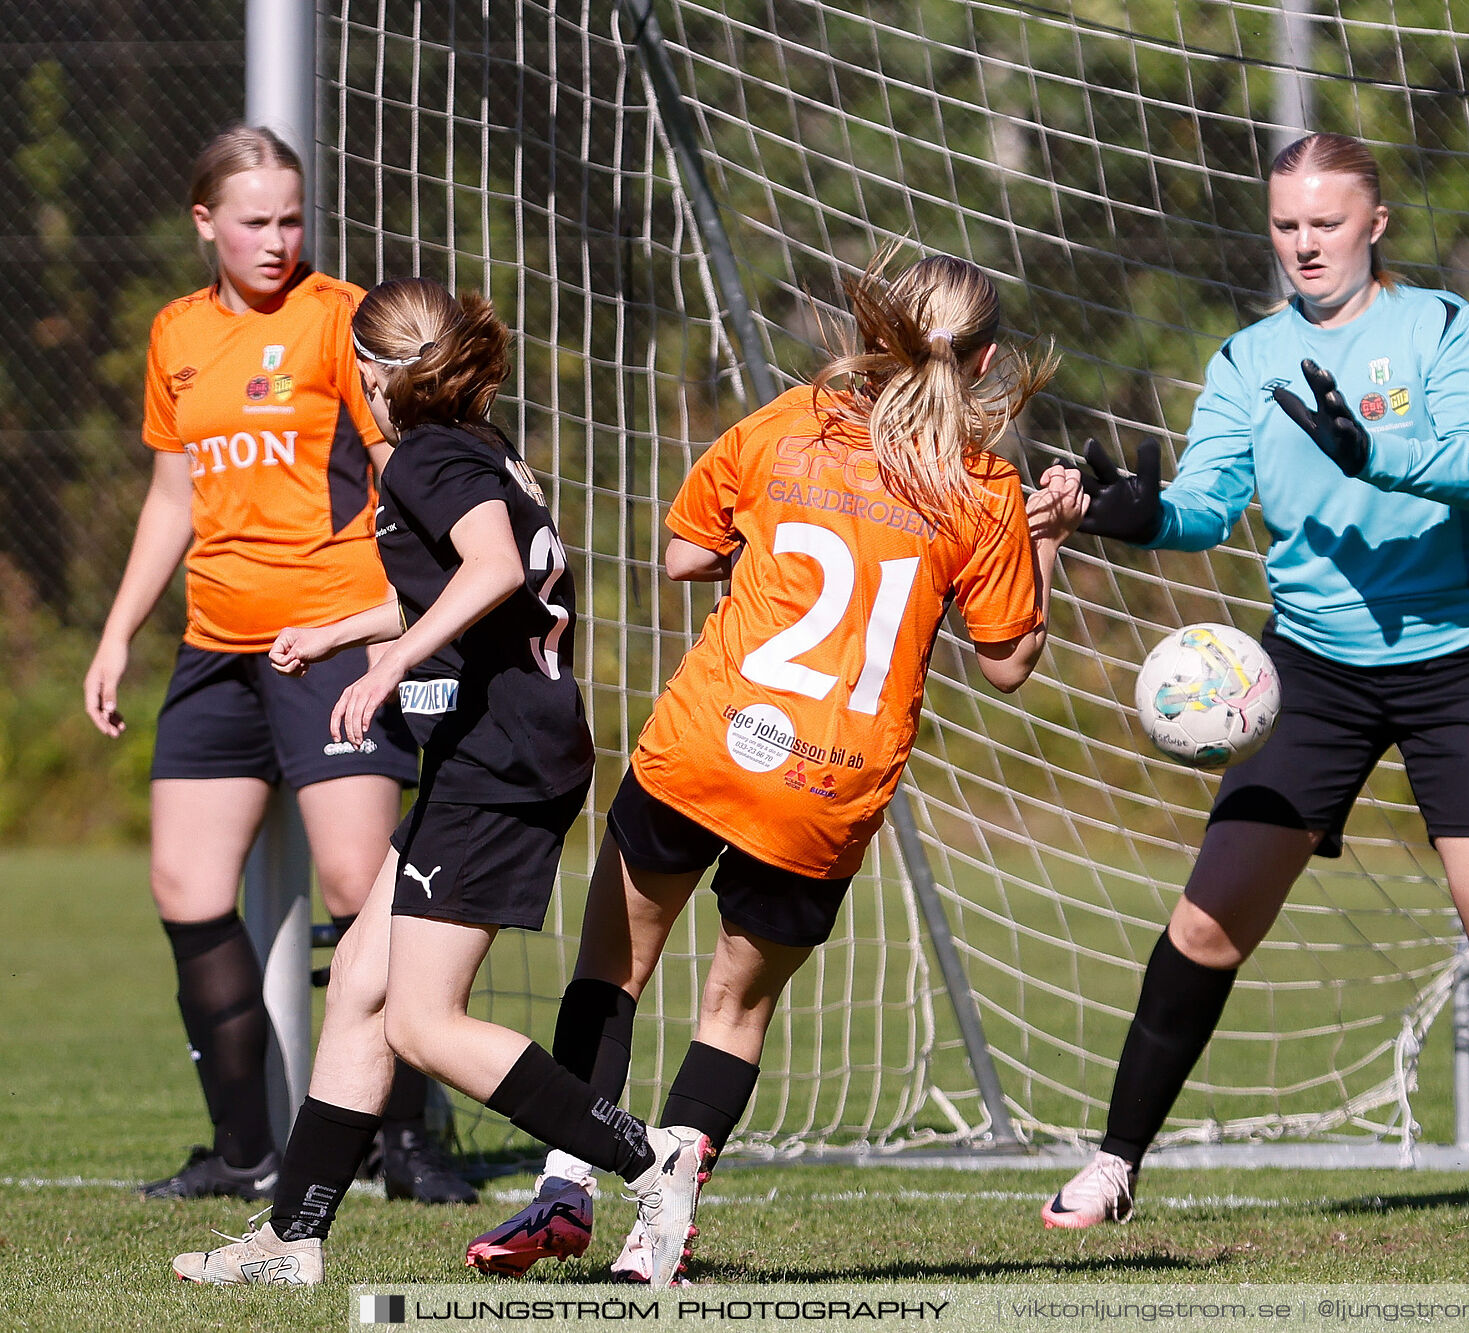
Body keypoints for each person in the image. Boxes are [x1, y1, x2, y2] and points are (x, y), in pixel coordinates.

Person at [1038, 132, 1469, 1233]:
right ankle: (1114, 1163)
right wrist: (1134, 515)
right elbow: (1208, 505)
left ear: (1376, 225)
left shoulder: (1437, 329)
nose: (1305, 243)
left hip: (1457, 665)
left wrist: (1372, 449)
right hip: (1310, 672)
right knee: (1209, 925)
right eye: (1286, 224)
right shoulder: (1246, 359)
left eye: (1327, 222)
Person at [461, 248, 1086, 1283]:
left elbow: (682, 555)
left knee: (610, 973)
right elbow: (1010, 661)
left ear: (875, 332)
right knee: (733, 1011)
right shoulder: (988, 490)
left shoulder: (788, 422)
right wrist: (1048, 536)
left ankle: (564, 1189)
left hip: (706, 745)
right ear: (981, 366)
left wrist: (783, 545)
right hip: (827, 785)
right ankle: (655, 1241)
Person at [168, 278, 710, 1287]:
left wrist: (384, 665)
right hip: (497, 752)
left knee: (420, 1018)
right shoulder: (477, 447)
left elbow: (493, 567)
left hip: (498, 763)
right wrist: (343, 630)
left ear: (373, 373)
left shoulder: (424, 456)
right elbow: (453, 577)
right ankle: (291, 1240)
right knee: (362, 989)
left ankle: (651, 1157)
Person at [83, 125, 471, 1205]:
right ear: (204, 222)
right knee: (187, 889)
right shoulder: (176, 334)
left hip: (329, 644)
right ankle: (243, 1149)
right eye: (254, 220)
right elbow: (175, 496)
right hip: (215, 647)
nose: (277, 239)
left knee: (360, 885)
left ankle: (406, 1137)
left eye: (291, 217)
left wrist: (404, 616)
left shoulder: (338, 319)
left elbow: (407, 470)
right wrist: (119, 633)